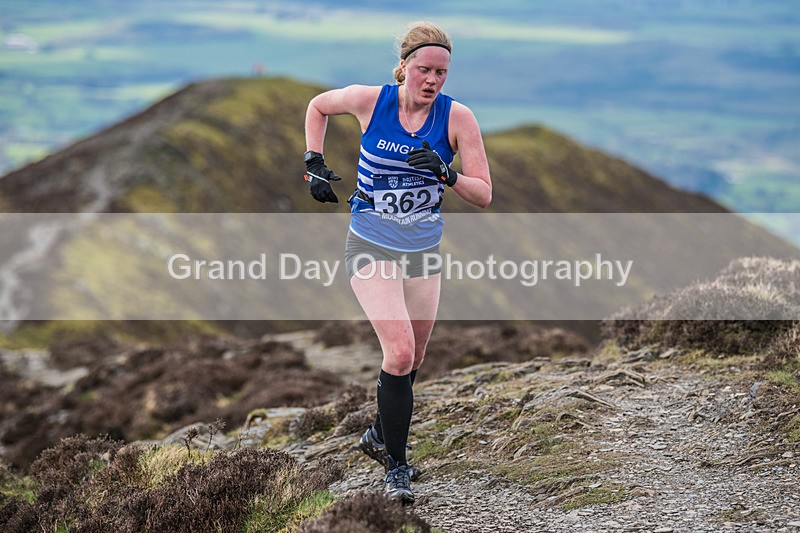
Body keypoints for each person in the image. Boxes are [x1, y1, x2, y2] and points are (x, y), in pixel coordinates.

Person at [303, 21, 491, 504]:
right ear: (404, 66)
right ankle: (396, 467)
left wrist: (447, 173)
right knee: (401, 352)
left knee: (415, 358)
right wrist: (313, 163)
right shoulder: (371, 101)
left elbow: (484, 193)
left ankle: (379, 434)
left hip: (423, 252)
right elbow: (318, 106)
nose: (433, 80)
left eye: (442, 73)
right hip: (371, 243)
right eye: (425, 69)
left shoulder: (458, 119)